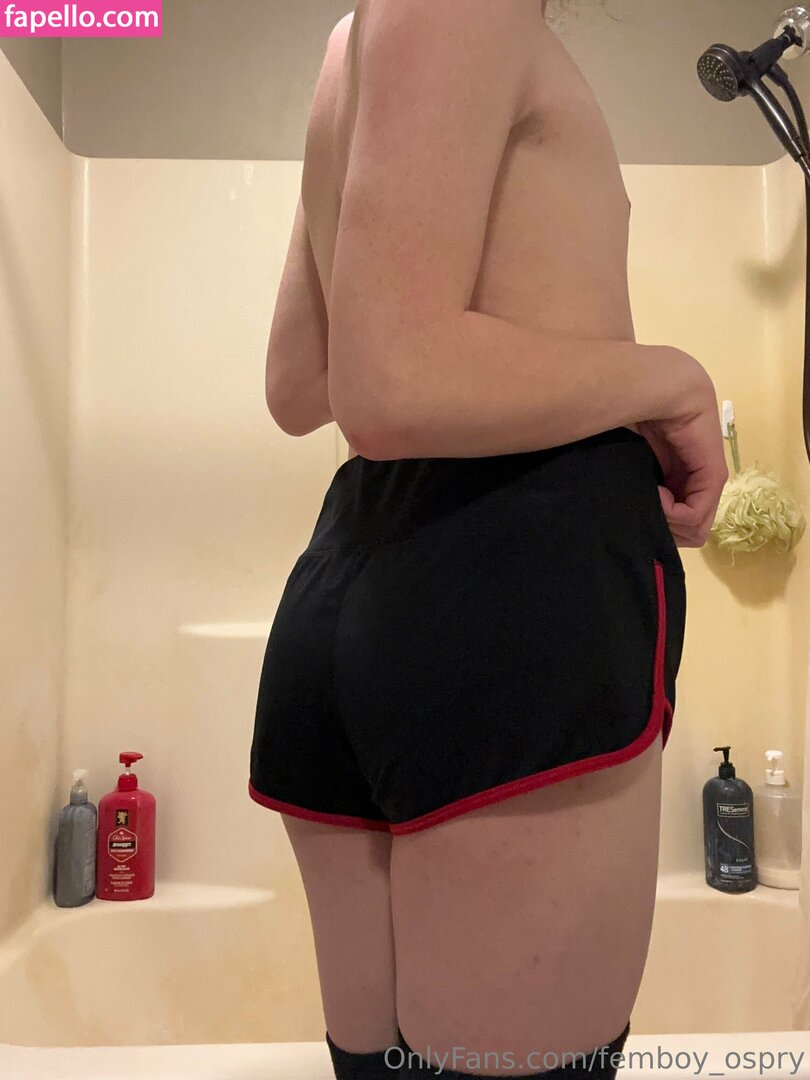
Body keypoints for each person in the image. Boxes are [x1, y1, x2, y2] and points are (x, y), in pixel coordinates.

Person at [249, 2, 728, 1078]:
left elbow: (299, 384)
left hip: (358, 571)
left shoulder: (349, 45)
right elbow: (391, 381)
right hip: (519, 580)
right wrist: (673, 377)